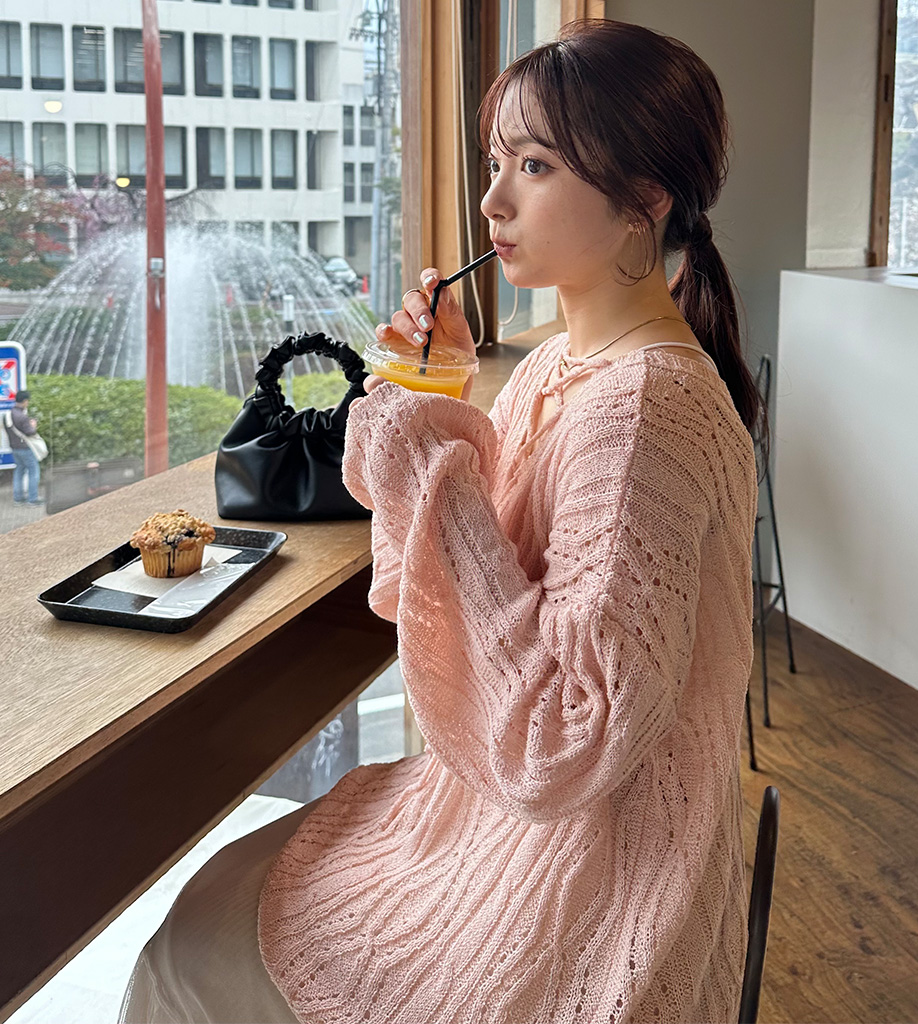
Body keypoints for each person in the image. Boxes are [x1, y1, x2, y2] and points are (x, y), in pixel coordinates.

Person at [119, 18, 769, 1024]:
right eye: (497, 162)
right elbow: (474, 576)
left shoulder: (641, 410)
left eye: (535, 166)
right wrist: (439, 390)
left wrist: (424, 450)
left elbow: (566, 735)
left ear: (645, 200)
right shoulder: (560, 365)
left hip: (586, 888)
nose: (492, 201)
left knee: (187, 955)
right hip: (517, 834)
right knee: (209, 911)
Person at [4, 389, 43, 506]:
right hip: (25, 447)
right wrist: (33, 425)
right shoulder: (22, 417)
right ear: (25, 401)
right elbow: (30, 432)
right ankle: (33, 499)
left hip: (14, 448)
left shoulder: (8, 414)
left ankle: (18, 498)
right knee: (33, 471)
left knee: (19, 471)